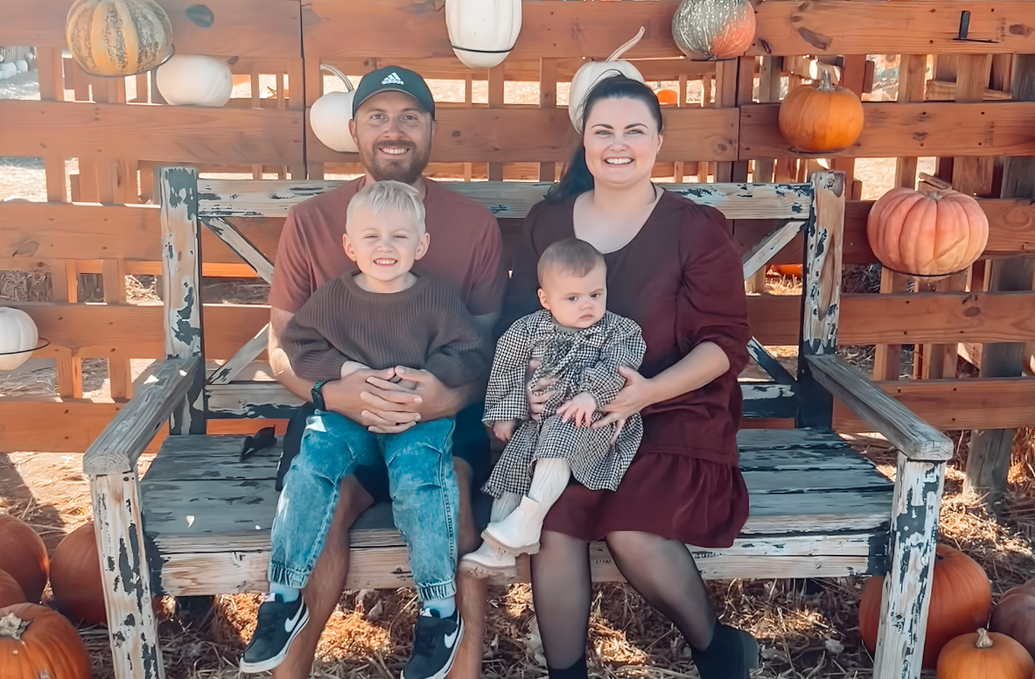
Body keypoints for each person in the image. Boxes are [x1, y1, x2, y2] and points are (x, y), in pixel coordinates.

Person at [498, 75, 759, 679]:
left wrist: (645, 392)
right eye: (603, 131)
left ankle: (717, 650)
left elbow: (724, 343)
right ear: (584, 142)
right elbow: (518, 325)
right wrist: (530, 386)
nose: (619, 144)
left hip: (672, 408)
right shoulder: (549, 222)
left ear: (658, 141)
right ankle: (567, 673)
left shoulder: (693, 228)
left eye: (634, 130)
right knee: (555, 524)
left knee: (632, 531)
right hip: (573, 415)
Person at [264, 65, 505, 679]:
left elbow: (485, 350)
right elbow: (282, 346)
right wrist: (330, 391)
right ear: (353, 129)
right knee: (323, 491)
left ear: (430, 129)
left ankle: (454, 658)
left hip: (435, 420)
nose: (393, 131)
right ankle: (286, 654)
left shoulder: (473, 226)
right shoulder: (313, 221)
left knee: (448, 483)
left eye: (409, 117)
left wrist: (445, 401)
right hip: (337, 412)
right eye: (377, 116)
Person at [241, 181, 488, 677]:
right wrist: (345, 371)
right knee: (310, 469)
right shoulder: (334, 298)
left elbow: (470, 352)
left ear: (420, 246)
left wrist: (428, 381)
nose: (385, 248)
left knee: (425, 481)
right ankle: (284, 597)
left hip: (414, 419)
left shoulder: (435, 299)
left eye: (399, 237)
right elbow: (298, 346)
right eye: (371, 237)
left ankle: (439, 611)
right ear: (350, 247)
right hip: (346, 417)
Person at [460, 238, 645, 578]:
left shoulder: (619, 330)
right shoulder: (527, 330)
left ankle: (529, 519)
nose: (586, 305)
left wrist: (592, 394)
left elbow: (620, 363)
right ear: (545, 299)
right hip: (539, 422)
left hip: (593, 420)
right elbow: (507, 368)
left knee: (561, 429)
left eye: (595, 294)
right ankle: (497, 547)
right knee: (513, 464)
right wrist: (506, 411)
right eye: (572, 298)